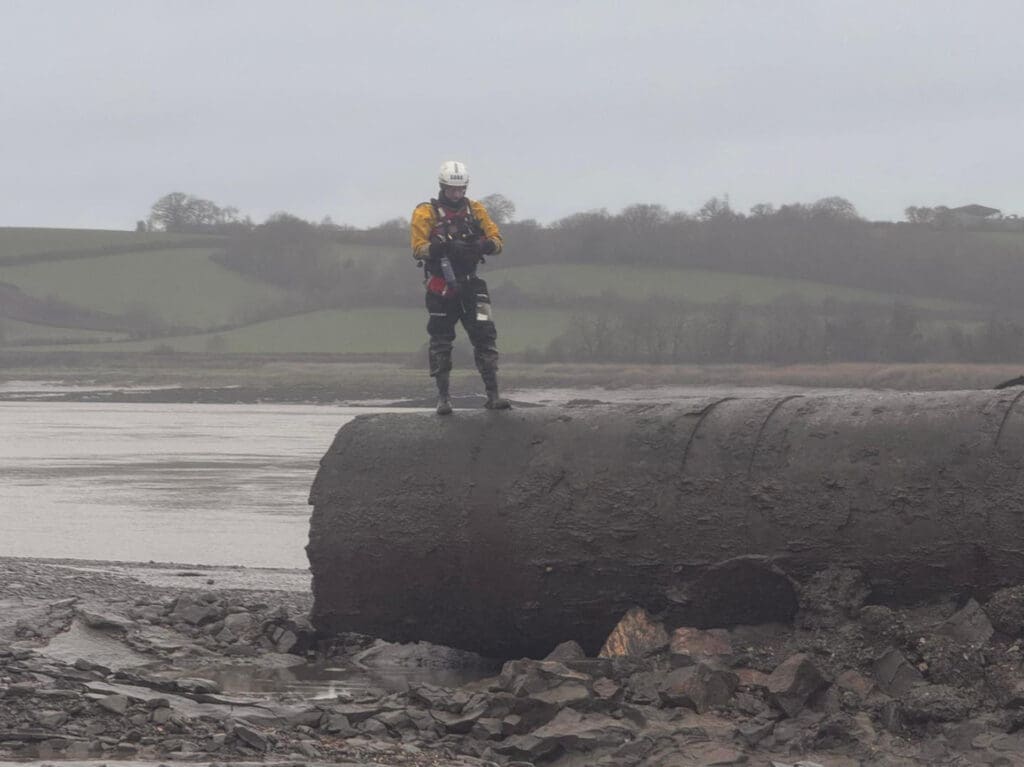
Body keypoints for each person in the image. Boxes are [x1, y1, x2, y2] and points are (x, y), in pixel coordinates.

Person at [410, 160, 510, 415]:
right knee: (441, 341)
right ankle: (443, 398)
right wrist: (440, 247)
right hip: (440, 288)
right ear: (442, 187)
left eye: (460, 190)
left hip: (473, 285)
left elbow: (498, 241)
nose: (457, 194)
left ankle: (493, 395)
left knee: (486, 335)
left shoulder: (476, 210)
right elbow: (417, 248)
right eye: (452, 190)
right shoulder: (425, 212)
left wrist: (482, 246)